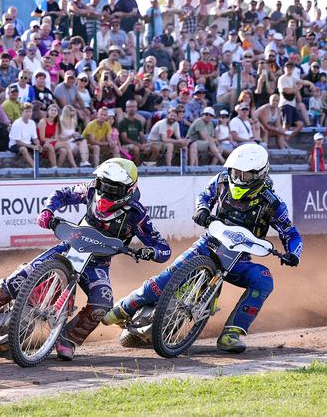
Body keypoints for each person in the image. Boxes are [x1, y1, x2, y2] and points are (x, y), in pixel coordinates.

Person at [0, 158, 171, 360]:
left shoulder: (137, 214)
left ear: (127, 189)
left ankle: (68, 339)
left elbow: (163, 248)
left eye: (112, 188)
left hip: (98, 263)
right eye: (103, 184)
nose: (104, 191)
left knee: (101, 303)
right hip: (70, 246)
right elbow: (62, 194)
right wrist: (48, 210)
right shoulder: (91, 189)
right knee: (19, 279)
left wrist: (149, 252)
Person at [106, 144, 303, 353]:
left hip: (239, 260)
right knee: (168, 276)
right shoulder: (221, 180)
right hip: (207, 245)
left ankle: (232, 333)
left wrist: (293, 253)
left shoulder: (272, 203)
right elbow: (203, 196)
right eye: (236, 172)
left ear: (259, 175)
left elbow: (290, 233)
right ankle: (123, 308)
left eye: (244, 175)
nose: (238, 178)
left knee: (264, 279)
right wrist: (202, 209)